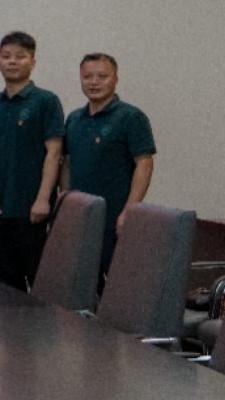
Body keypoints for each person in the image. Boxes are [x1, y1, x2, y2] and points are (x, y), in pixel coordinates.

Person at [0, 32, 65, 291]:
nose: (12, 61)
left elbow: (54, 153)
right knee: (5, 287)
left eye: (20, 56)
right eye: (6, 56)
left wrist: (43, 199)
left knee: (41, 286)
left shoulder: (46, 101)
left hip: (33, 212)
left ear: (32, 63)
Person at [63, 53, 156, 281]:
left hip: (115, 221)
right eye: (88, 76)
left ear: (115, 79)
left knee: (121, 286)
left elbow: (144, 164)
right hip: (81, 220)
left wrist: (129, 211)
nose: (94, 82)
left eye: (102, 76)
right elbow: (66, 164)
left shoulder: (131, 117)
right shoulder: (73, 119)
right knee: (83, 287)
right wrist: (65, 204)